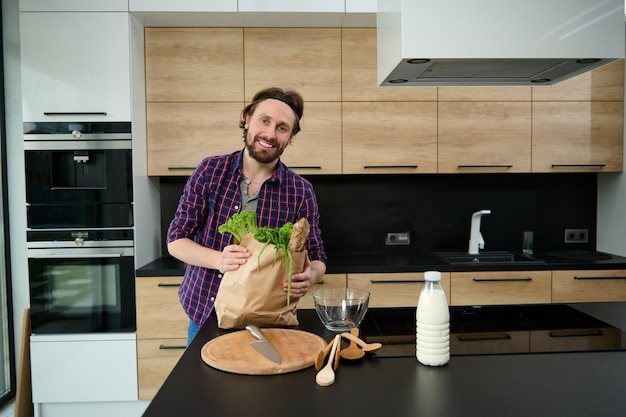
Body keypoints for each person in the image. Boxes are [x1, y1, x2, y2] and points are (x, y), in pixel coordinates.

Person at [166, 87, 327, 345]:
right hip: (205, 314)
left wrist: (311, 276)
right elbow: (175, 240)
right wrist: (218, 259)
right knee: (203, 385)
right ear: (247, 118)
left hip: (267, 320)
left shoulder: (300, 191)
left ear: (290, 137)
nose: (270, 134)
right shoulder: (210, 171)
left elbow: (318, 258)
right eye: (264, 120)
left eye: (282, 128)